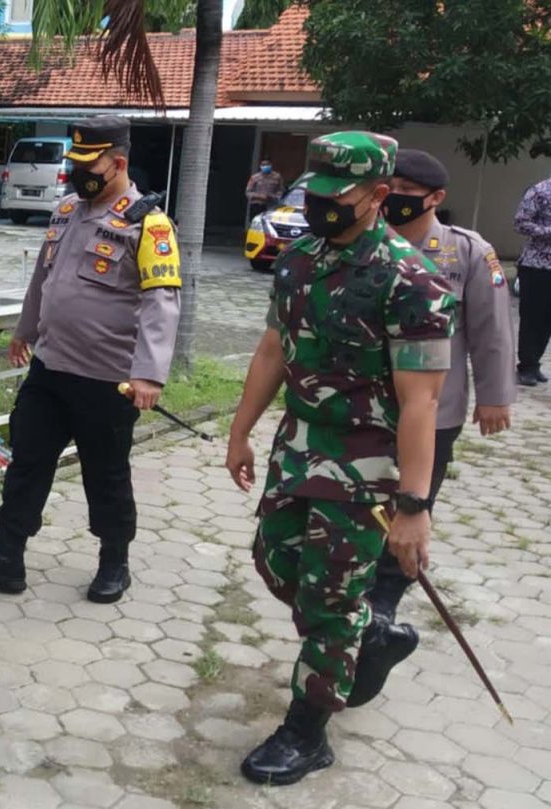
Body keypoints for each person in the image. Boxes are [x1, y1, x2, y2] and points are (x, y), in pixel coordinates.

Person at [224, 132, 455, 786]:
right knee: (273, 555)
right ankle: (367, 635)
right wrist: (241, 431)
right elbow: (274, 348)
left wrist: (414, 507)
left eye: (339, 196)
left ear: (380, 195)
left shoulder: (414, 282)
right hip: (298, 448)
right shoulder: (300, 259)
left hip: (367, 469)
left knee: (330, 598)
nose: (322, 206)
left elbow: (421, 403)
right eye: (315, 192)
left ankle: (306, 730)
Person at [0, 115, 182, 604]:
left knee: (106, 473)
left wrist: (148, 374)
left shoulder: (147, 223)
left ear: (118, 162)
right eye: (73, 162)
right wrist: (25, 329)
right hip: (49, 368)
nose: (77, 172)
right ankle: (7, 556)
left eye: (87, 162)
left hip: (107, 380)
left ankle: (114, 562)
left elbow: (162, 302)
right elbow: (43, 277)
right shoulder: (68, 210)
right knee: (26, 464)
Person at [353, 149, 517, 694]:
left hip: (434, 412)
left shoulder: (467, 253)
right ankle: (357, 601)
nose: (392, 194)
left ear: (435, 198)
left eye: (404, 186)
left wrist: (494, 396)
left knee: (408, 508)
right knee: (360, 506)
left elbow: (492, 330)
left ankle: (383, 608)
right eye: (387, 183)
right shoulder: (365, 241)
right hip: (366, 406)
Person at [513, 174, 551, 386]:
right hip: (537, 266)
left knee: (547, 321)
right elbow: (520, 223)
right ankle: (526, 366)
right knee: (533, 317)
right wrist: (548, 232)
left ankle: (535, 363)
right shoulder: (540, 191)